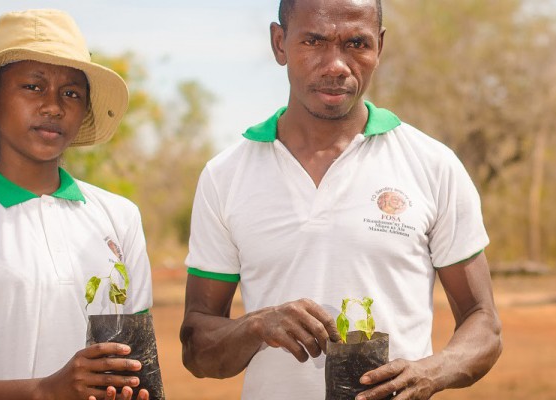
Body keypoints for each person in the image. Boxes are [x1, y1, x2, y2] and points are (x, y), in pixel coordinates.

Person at [178, 0, 503, 399]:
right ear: (279, 43)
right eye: (313, 41)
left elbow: (483, 323)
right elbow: (197, 349)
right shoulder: (225, 175)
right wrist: (257, 325)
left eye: (356, 43)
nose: (336, 65)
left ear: (378, 48)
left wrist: (430, 372)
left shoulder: (433, 165)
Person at [0, 9, 154, 400]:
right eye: (33, 87)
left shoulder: (119, 217)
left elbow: (137, 369)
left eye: (71, 93)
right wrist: (44, 391)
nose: (54, 106)